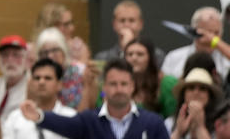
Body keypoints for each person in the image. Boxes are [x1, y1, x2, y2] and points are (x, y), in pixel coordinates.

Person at [19, 59, 170, 139]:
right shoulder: (89, 121)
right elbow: (65, 124)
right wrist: (40, 116)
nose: (119, 89)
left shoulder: (153, 123)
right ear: (103, 87)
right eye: (113, 84)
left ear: (132, 86)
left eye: (124, 84)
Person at [3, 58, 77, 139]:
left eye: (48, 78)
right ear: (30, 83)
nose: (41, 82)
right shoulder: (15, 117)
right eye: (37, 78)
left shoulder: (71, 117)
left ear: (59, 85)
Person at [162, 7, 230, 79]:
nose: (211, 38)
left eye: (216, 33)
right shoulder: (174, 57)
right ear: (195, 31)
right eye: (208, 32)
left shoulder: (226, 60)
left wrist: (216, 42)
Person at [35, 27, 93, 110]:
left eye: (54, 50)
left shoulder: (78, 72)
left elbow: (87, 110)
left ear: (64, 51)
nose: (50, 56)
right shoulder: (36, 76)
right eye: (45, 52)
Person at [95, 0, 167, 64]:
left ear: (140, 24)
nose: (127, 25)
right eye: (122, 20)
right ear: (114, 24)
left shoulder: (156, 55)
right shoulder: (102, 58)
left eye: (131, 20)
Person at [123, 38, 178, 119]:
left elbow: (172, 118)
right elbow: (102, 98)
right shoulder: (119, 82)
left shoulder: (166, 82)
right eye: (130, 54)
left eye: (140, 54)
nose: (134, 58)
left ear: (150, 58)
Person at [0, 35, 30, 124]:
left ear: (26, 59)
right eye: (5, 55)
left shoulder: (34, 87)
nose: (10, 60)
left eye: (16, 55)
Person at [168, 68, 224, 138]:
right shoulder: (169, 123)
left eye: (202, 88)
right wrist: (179, 131)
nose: (196, 92)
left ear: (210, 95)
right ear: (184, 94)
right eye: (191, 88)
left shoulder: (221, 124)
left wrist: (200, 127)